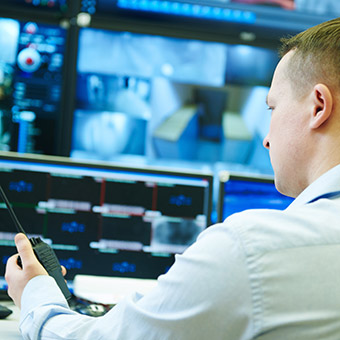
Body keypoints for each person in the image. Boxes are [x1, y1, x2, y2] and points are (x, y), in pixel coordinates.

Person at [5, 17, 340, 340]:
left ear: (318, 106)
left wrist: (36, 294)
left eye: (272, 108)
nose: (266, 138)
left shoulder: (252, 250)